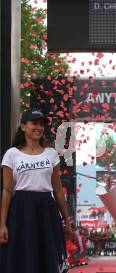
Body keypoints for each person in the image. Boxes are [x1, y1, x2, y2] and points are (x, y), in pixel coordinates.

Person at [0, 108, 73, 273]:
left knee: (48, 256)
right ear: (23, 126)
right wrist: (2, 224)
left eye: (41, 124)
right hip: (20, 210)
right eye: (34, 123)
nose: (38, 127)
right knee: (22, 256)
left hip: (47, 210)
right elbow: (6, 190)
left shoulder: (51, 154)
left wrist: (67, 219)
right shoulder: (12, 154)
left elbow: (58, 189)